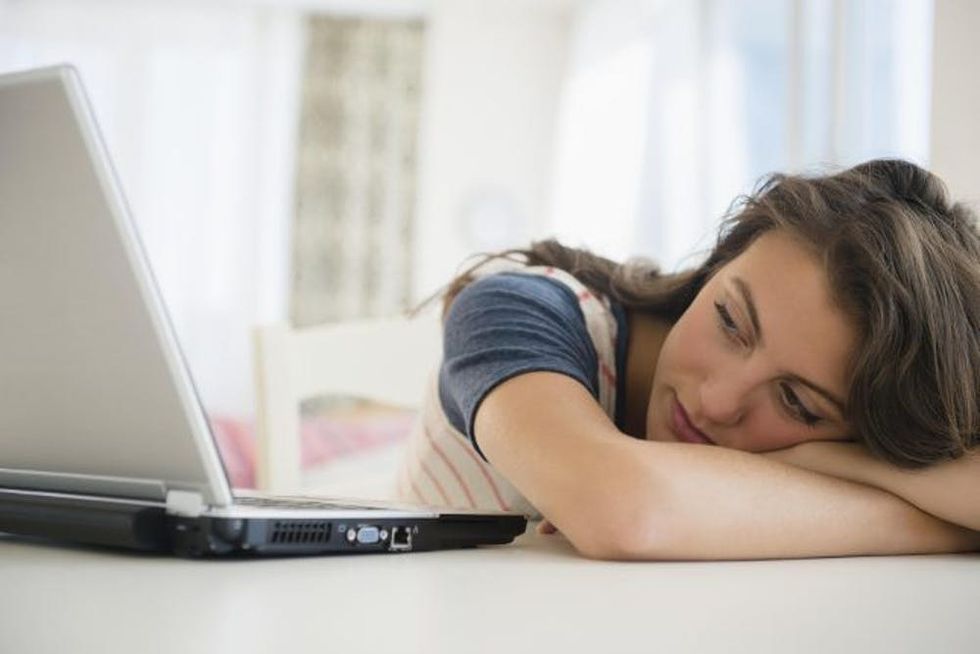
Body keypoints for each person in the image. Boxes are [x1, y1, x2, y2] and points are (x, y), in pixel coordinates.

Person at [394, 158, 980, 560]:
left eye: (796, 402)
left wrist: (839, 462)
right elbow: (624, 509)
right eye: (730, 321)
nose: (718, 401)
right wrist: (937, 523)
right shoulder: (519, 307)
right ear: (718, 264)